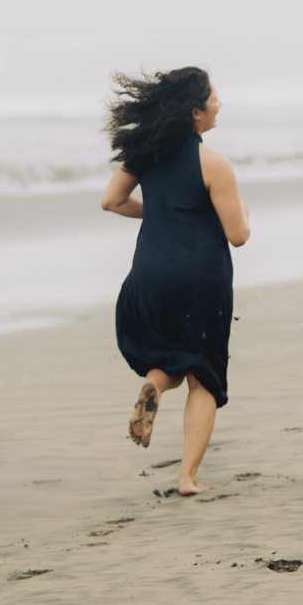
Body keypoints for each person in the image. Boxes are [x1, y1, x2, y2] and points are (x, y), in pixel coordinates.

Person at [101, 67, 250, 496]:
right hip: (201, 282)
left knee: (168, 358)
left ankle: (153, 386)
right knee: (203, 376)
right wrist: (244, 213)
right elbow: (237, 235)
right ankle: (187, 478)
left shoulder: (143, 154)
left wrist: (159, 210)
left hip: (148, 277)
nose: (219, 104)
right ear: (196, 112)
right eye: (214, 98)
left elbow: (111, 201)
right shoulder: (214, 164)